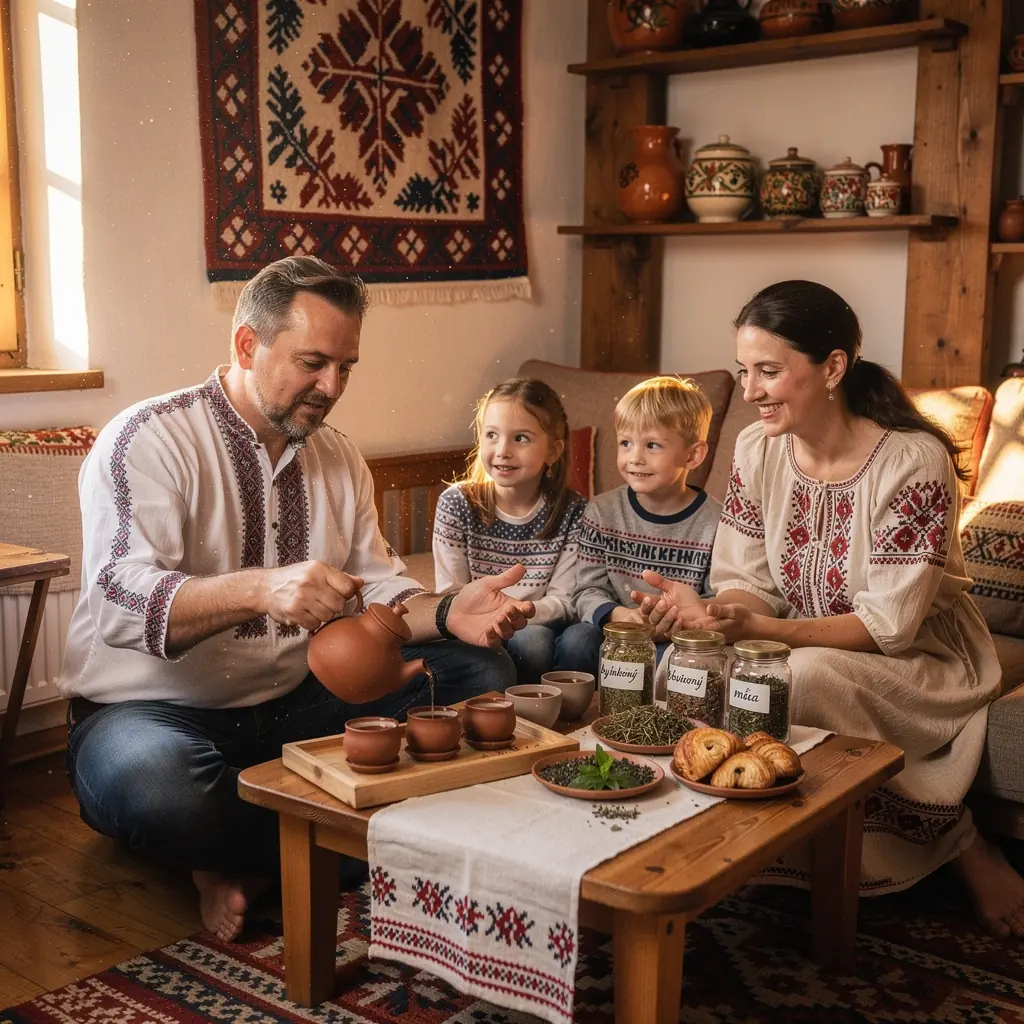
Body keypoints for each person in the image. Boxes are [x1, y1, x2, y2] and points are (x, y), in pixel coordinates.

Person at [58, 256, 534, 943]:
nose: (332, 385)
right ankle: (332, 839)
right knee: (157, 784)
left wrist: (446, 612)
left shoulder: (338, 456)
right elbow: (117, 601)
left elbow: (376, 589)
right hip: (154, 717)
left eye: (347, 366)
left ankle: (245, 856)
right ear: (247, 344)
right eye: (314, 362)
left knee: (484, 675)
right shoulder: (150, 438)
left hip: (294, 708)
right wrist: (260, 588)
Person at [636, 280, 1024, 938]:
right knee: (685, 665)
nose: (751, 390)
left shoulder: (913, 462)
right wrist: (709, 615)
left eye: (769, 371)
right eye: (743, 371)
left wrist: (760, 630)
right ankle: (721, 854)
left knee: (801, 674)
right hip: (796, 638)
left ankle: (959, 842)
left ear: (833, 367)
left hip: (923, 660)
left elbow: (888, 627)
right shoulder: (758, 450)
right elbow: (745, 582)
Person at [432, 378, 591, 683]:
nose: (502, 450)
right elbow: (451, 592)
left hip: (542, 622)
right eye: (492, 435)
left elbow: (564, 601)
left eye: (520, 438)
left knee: (555, 641)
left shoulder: (573, 511)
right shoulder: (457, 503)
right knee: (524, 644)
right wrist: (496, 615)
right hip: (477, 622)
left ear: (553, 451)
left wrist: (516, 613)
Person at [573, 376, 722, 669]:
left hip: (678, 635)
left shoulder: (716, 522)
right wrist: (618, 615)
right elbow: (585, 591)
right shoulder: (601, 511)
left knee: (679, 663)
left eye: (652, 445)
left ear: (693, 455)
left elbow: (714, 598)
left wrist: (674, 622)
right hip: (613, 629)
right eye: (625, 443)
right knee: (576, 642)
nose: (635, 458)